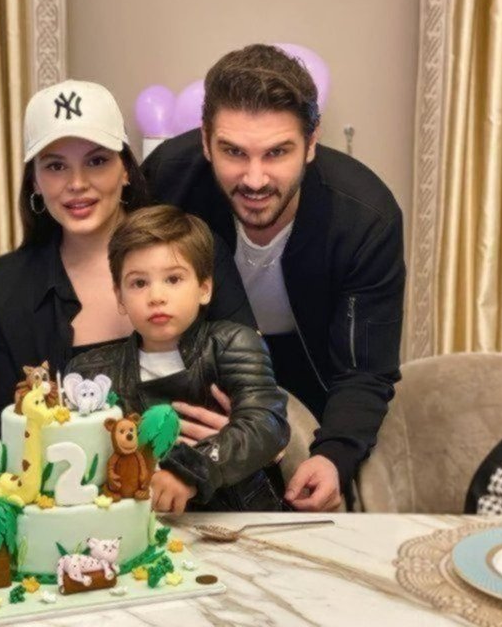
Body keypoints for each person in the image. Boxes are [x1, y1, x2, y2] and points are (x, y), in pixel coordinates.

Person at [142, 44, 406, 511]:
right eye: (233, 152)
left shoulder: (366, 218)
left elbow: (364, 369)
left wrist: (332, 455)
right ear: (204, 140)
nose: (255, 179)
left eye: (277, 152)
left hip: (316, 377)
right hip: (200, 386)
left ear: (312, 142)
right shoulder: (167, 180)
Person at [0, 80, 254, 457]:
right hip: (72, 487)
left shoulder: (195, 246)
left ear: (126, 169)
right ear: (35, 181)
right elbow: (4, 426)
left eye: (96, 161)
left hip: (210, 476)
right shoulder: (6, 284)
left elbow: (256, 394)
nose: (77, 184)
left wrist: (242, 439)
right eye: (56, 166)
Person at [65, 204, 290, 513]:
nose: (156, 296)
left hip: (240, 518)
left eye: (173, 279)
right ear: (120, 297)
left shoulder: (233, 343)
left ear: (204, 289)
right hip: (137, 526)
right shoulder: (91, 375)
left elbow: (266, 424)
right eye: (139, 283)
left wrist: (190, 470)